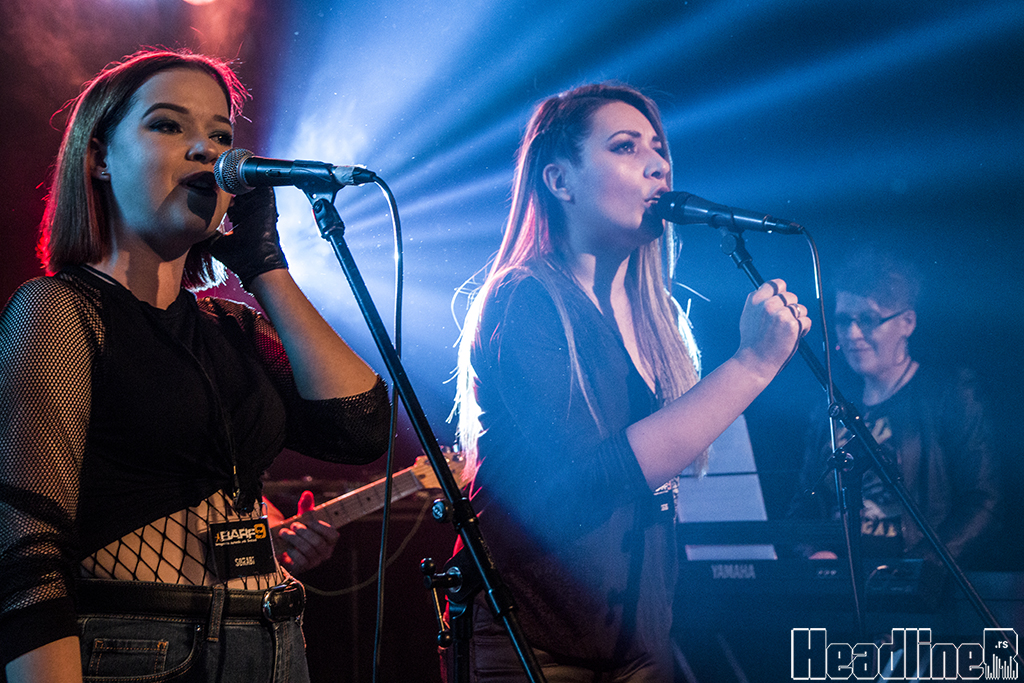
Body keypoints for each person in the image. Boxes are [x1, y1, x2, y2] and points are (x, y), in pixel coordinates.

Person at [0, 49, 391, 682]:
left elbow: (362, 426)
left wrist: (265, 267)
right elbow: (25, 542)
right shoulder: (61, 311)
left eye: (221, 136)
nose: (207, 151)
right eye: (167, 125)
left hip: (275, 642)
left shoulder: (232, 326)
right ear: (99, 158)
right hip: (142, 648)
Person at [449, 82, 810, 682]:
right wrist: (751, 366)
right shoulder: (524, 300)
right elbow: (590, 478)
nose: (658, 163)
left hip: (639, 640)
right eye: (625, 146)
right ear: (560, 181)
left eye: (658, 147)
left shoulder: (660, 318)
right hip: (533, 642)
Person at [789, 247, 1000, 568]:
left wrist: (918, 568)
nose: (852, 334)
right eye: (844, 320)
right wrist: (814, 553)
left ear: (907, 322)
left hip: (916, 579)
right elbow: (804, 504)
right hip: (842, 579)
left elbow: (984, 501)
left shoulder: (948, 393)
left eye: (868, 319)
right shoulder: (831, 406)